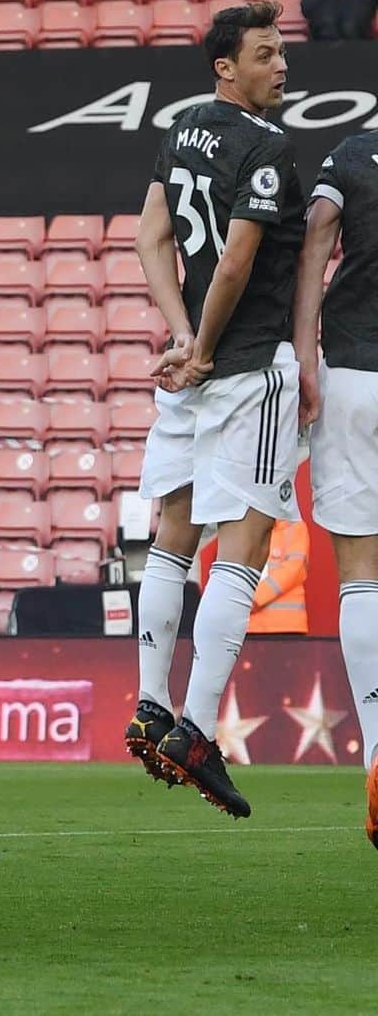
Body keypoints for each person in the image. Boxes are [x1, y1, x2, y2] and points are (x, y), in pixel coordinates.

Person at [124, 0, 304, 820]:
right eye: (266, 54)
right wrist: (202, 346)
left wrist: (178, 335)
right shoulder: (267, 149)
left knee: (172, 535)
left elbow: (149, 236)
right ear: (226, 66)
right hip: (246, 366)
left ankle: (152, 702)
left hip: (193, 373)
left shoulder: (183, 128)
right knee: (247, 543)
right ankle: (195, 731)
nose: (282, 65)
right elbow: (234, 262)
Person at [294, 125, 378, 843]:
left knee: (360, 574)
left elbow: (317, 235)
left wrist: (303, 356)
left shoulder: (354, 154)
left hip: (353, 371)